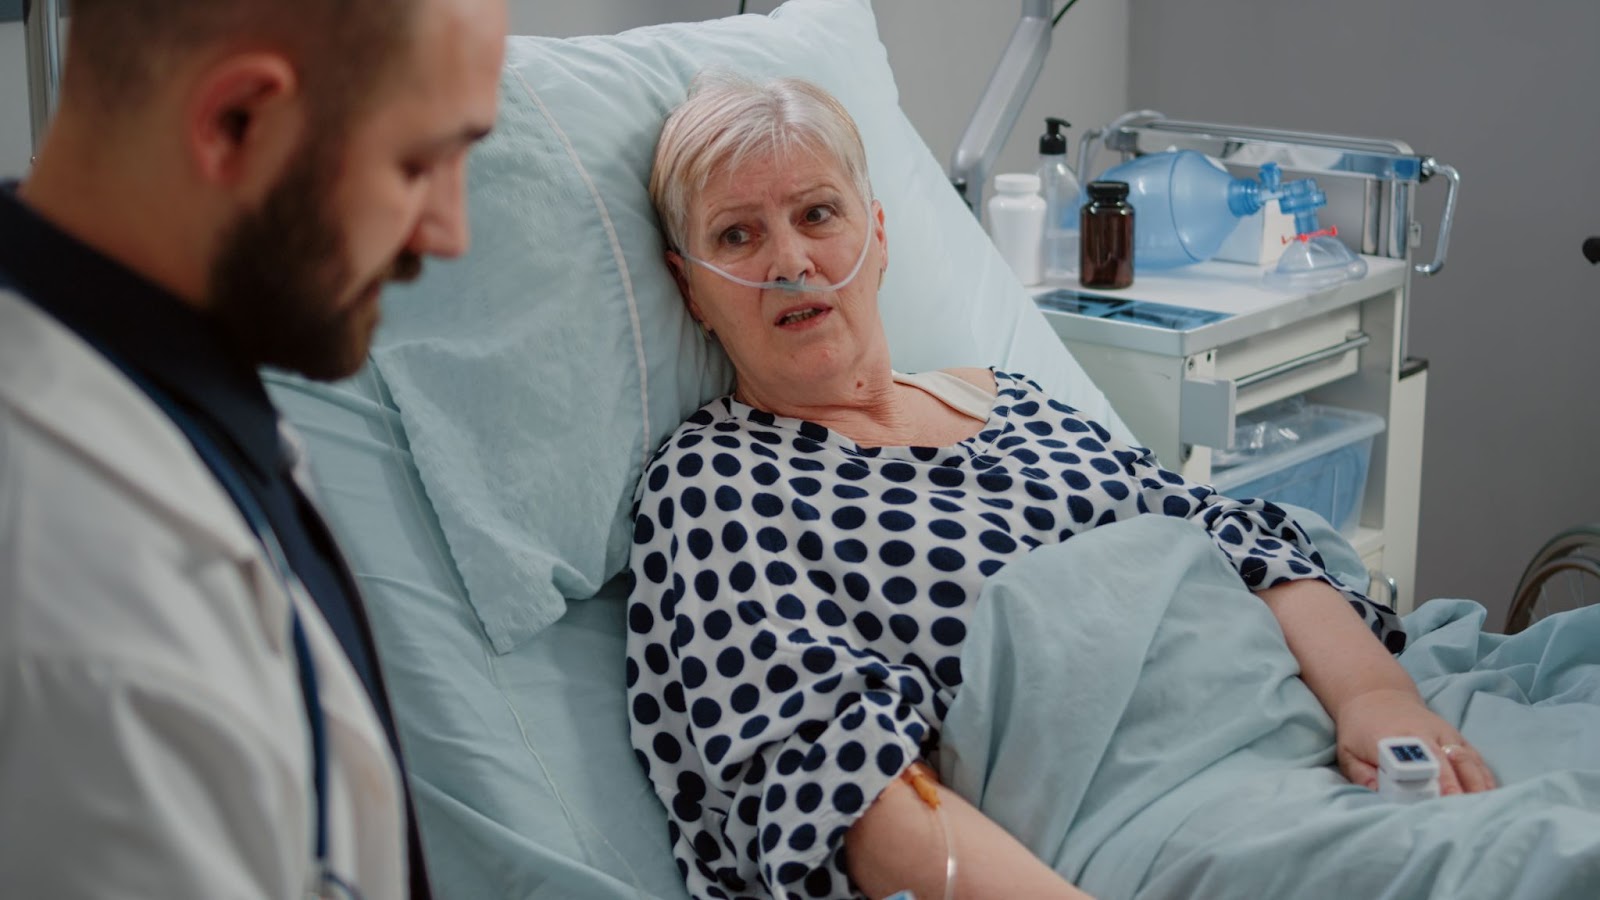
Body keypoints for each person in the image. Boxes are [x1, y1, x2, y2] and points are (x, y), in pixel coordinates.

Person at [627, 73, 1496, 900]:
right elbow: (836, 781)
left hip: (1320, 731)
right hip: (1158, 818)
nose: (790, 260)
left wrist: (1380, 700)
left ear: (879, 235)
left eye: (818, 213)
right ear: (690, 288)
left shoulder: (1010, 397)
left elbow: (1237, 539)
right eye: (736, 236)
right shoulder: (717, 483)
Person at [0, 0, 506, 895]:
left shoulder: (166, 368)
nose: (449, 233)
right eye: (419, 164)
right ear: (239, 123)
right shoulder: (97, 650)